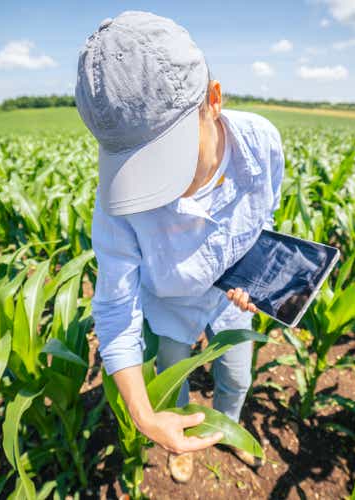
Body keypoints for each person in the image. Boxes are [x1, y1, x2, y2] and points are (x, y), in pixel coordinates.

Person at [75, 10, 285, 483]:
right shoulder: (119, 202)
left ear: (212, 101)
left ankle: (227, 429)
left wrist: (256, 275)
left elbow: (265, 216)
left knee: (237, 376)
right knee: (174, 377)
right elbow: (115, 306)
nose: (156, 188)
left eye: (165, 157)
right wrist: (146, 417)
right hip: (169, 305)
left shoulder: (262, 143)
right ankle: (185, 436)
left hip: (233, 305)